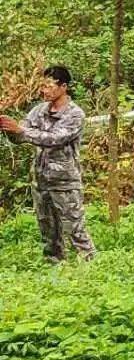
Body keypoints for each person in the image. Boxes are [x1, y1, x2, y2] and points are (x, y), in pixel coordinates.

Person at [0, 65, 96, 263]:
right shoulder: (38, 111)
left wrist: (21, 131)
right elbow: (22, 137)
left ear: (63, 87)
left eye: (49, 86)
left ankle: (91, 265)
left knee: (75, 229)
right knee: (48, 232)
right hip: (41, 180)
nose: (44, 90)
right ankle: (55, 267)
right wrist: (9, 128)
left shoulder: (75, 114)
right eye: (42, 86)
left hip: (65, 181)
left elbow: (55, 138)